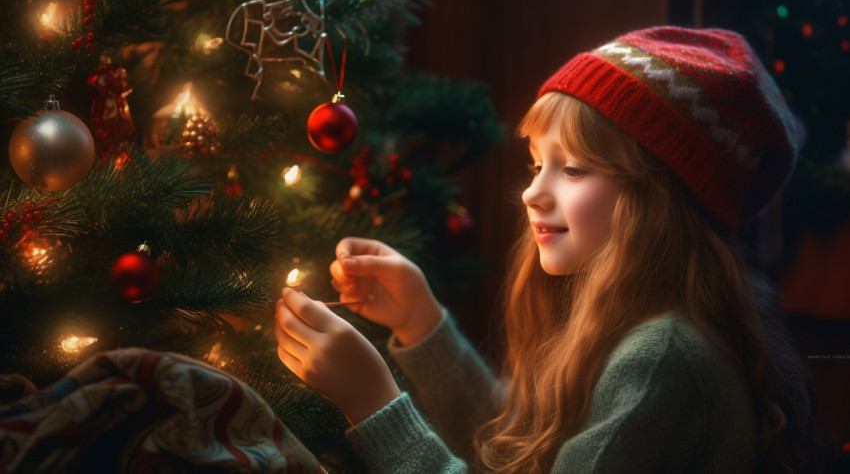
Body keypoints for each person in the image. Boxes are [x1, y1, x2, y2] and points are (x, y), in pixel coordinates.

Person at [274, 26, 832, 473]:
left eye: (574, 168)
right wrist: (421, 322)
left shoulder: (662, 359)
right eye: (537, 164)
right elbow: (517, 446)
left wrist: (375, 404)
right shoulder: (624, 321)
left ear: (660, 198)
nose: (531, 192)